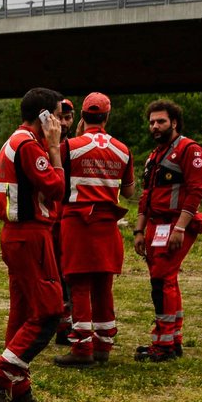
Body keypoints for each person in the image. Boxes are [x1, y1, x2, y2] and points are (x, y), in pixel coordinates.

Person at [0, 88, 66, 402]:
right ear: (44, 117)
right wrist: (54, 147)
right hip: (30, 235)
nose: (60, 122)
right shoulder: (29, 144)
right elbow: (57, 188)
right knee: (49, 311)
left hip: (19, 236)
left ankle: (19, 389)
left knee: (24, 313)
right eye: (56, 115)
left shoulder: (16, 141)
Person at [54, 92, 134, 366]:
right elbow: (130, 191)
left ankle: (81, 349)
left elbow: (56, 181)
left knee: (78, 285)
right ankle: (103, 346)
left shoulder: (71, 147)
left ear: (83, 117)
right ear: (107, 116)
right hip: (107, 223)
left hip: (77, 222)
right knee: (104, 286)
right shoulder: (123, 149)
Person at [133, 99, 202, 361]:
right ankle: (171, 340)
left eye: (161, 121)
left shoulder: (190, 150)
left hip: (175, 224)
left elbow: (197, 191)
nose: (155, 126)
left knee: (162, 280)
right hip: (156, 225)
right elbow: (146, 195)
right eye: (152, 122)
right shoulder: (155, 155)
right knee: (167, 280)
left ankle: (164, 345)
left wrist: (180, 228)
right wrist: (138, 231)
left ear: (174, 122)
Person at [51, 96, 78, 345]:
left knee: (66, 273)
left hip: (67, 219)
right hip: (46, 218)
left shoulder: (75, 148)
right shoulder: (37, 146)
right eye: (60, 117)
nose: (63, 122)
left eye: (67, 118)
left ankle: (64, 326)